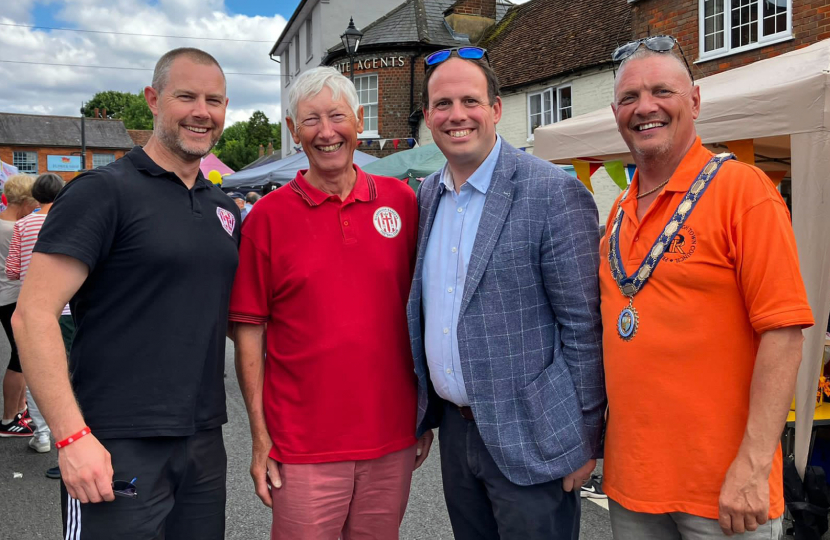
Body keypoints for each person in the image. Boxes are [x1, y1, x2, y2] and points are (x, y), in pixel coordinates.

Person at [12, 47, 239, 539]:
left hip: (202, 438)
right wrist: (72, 437)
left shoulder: (223, 207)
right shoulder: (102, 190)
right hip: (114, 439)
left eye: (214, 100)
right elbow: (32, 316)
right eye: (186, 96)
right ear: (153, 100)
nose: (202, 111)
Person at [601, 36, 813, 538]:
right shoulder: (618, 211)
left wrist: (755, 466)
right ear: (615, 112)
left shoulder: (744, 190)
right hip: (633, 485)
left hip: (724, 490)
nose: (644, 107)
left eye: (661, 91)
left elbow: (784, 335)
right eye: (629, 98)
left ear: (694, 101)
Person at [409, 47, 605, 540]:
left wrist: (584, 439)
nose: (457, 116)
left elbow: (583, 328)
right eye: (442, 104)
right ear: (429, 117)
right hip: (457, 433)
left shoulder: (551, 192)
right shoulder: (427, 196)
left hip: (535, 436)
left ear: (496, 109)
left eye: (470, 101)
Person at [230, 66, 432, 540]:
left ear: (358, 121)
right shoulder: (267, 219)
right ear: (292, 130)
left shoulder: (404, 203)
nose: (326, 132)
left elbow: (424, 313)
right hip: (302, 444)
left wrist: (425, 415)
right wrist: (260, 438)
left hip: (391, 437)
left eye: (337, 116)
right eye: (310, 120)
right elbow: (249, 334)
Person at [5, 173, 66, 456]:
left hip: (33, 308)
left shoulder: (23, 225)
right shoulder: (72, 220)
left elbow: (13, 271)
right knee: (72, 368)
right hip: (69, 307)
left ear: (36, 196)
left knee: (36, 368)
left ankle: (42, 435)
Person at [0, 174, 37, 438]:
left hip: (6, 296)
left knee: (22, 356)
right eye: (33, 203)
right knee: (19, 358)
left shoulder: (7, 224)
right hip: (11, 297)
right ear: (23, 201)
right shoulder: (15, 229)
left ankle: (20, 410)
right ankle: (8, 419)